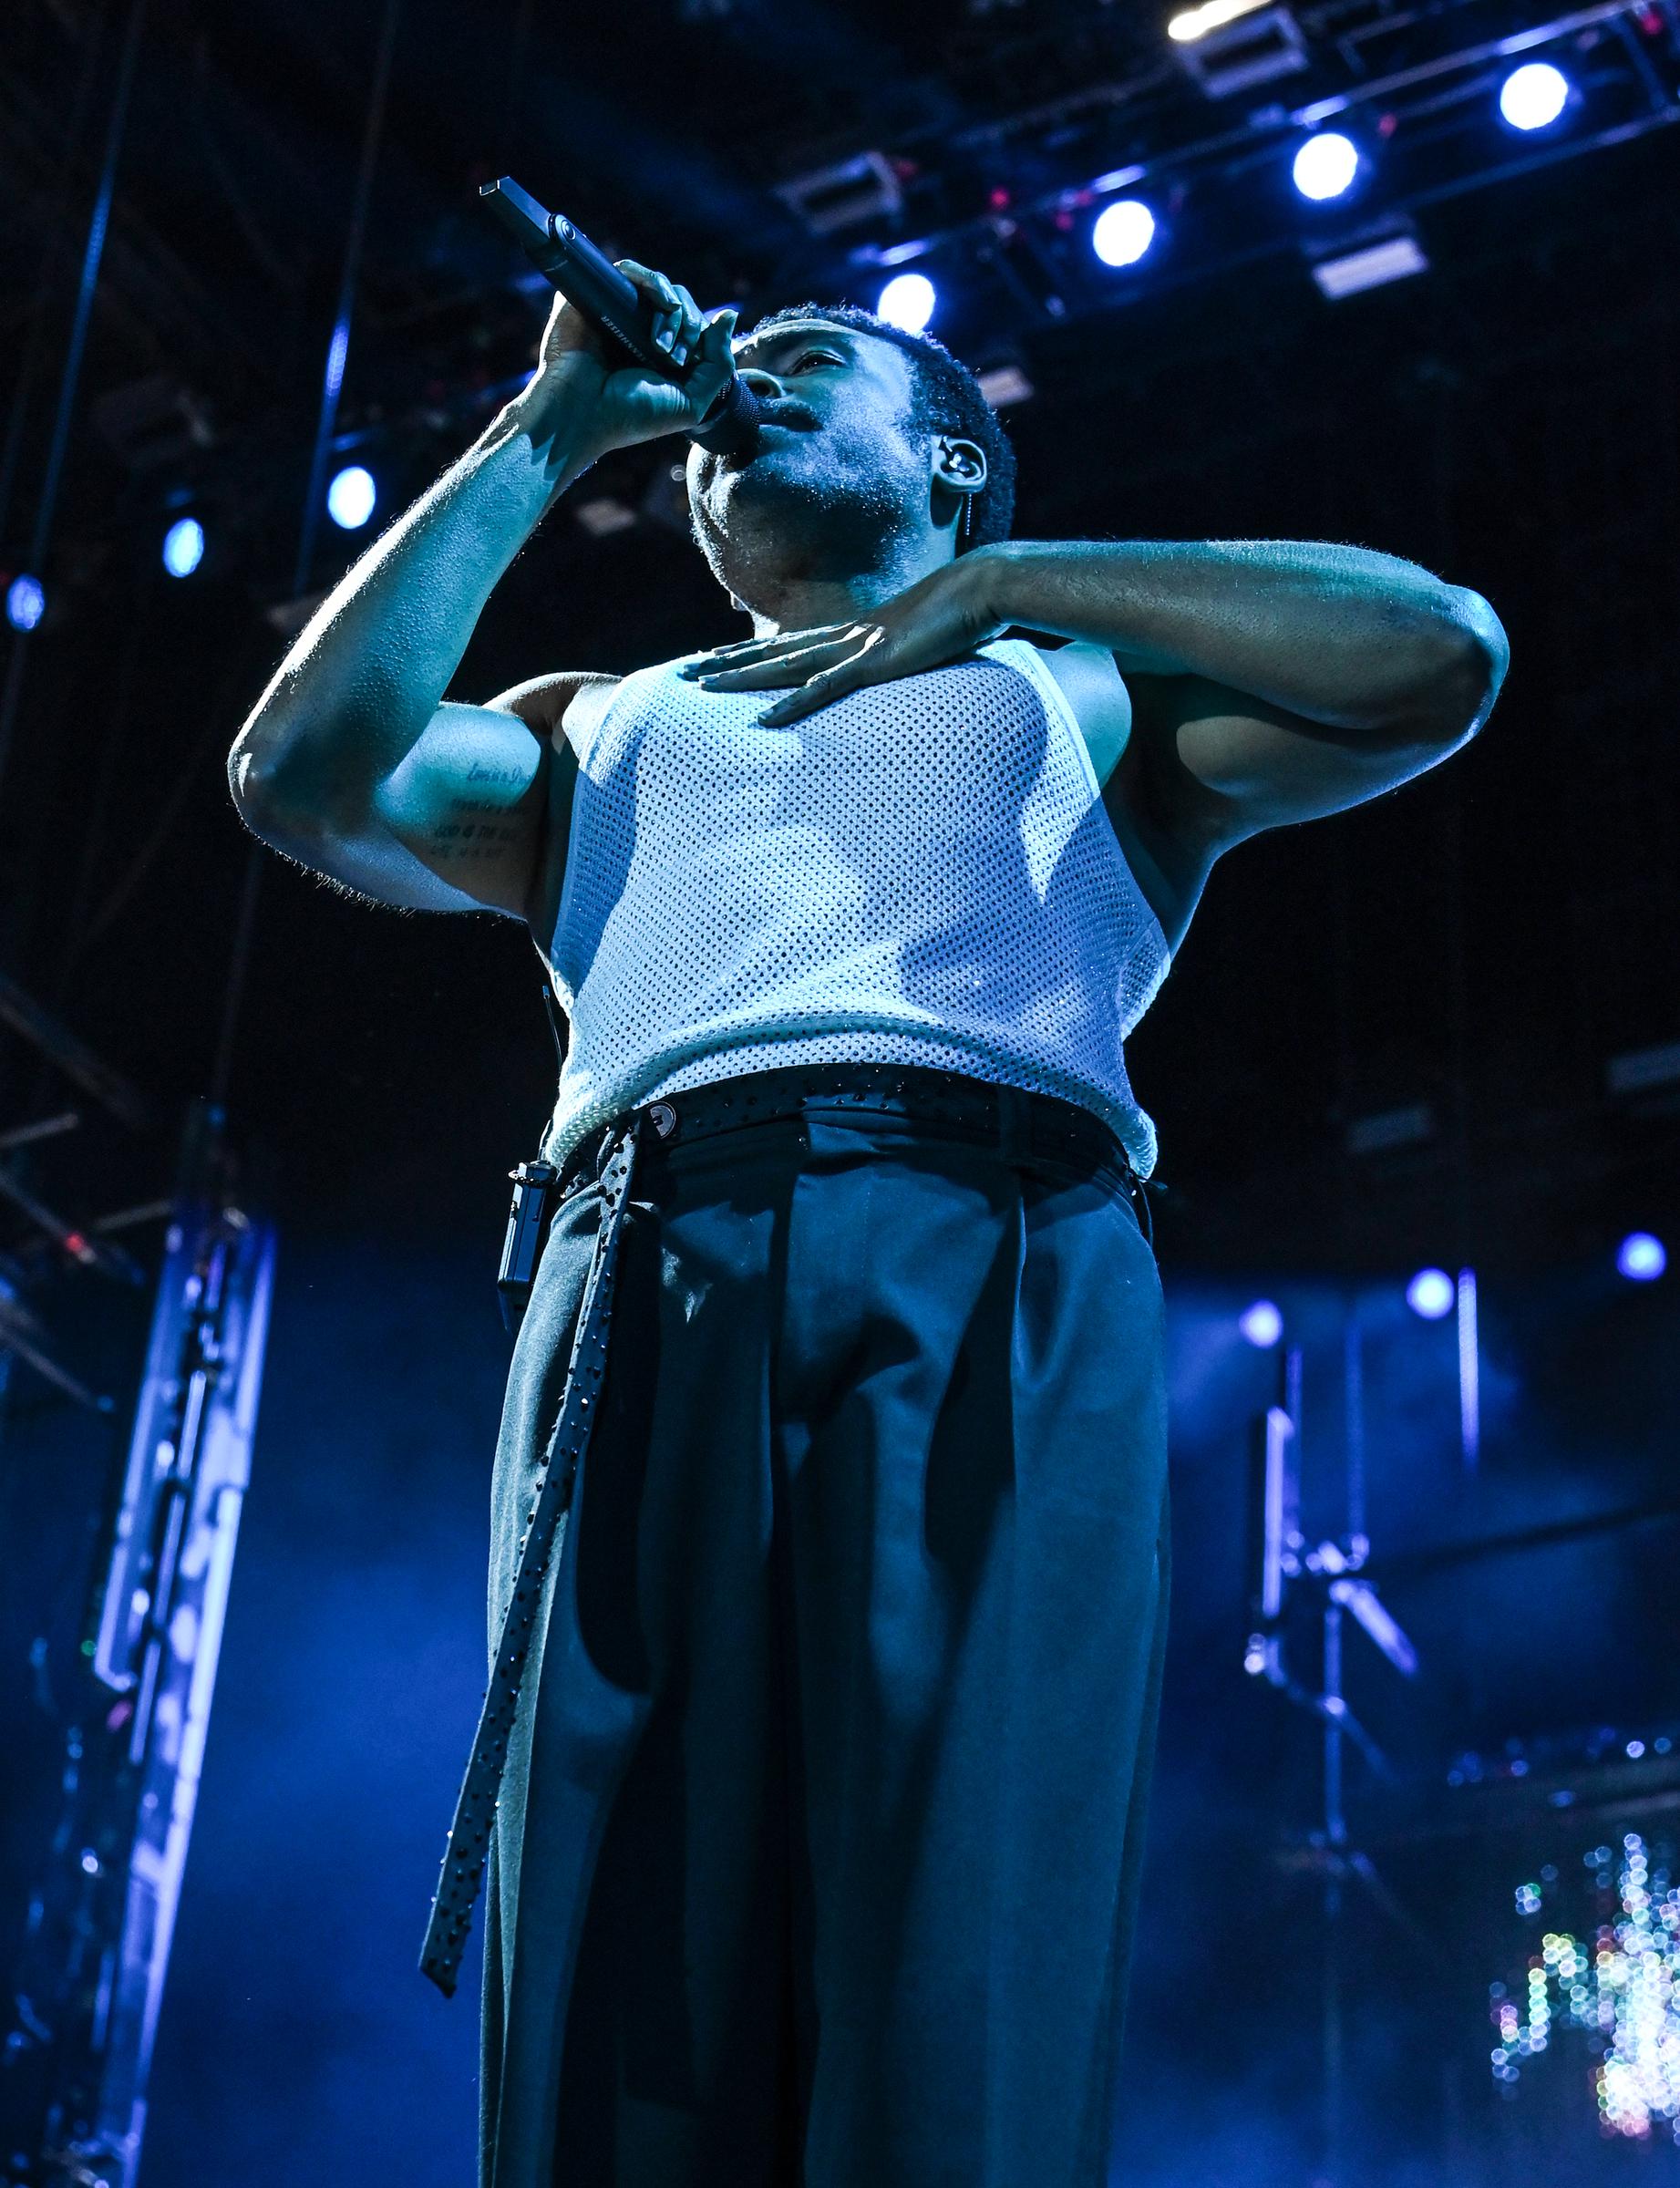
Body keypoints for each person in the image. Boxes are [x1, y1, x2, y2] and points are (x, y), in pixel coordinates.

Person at [226, 261, 1508, 2188]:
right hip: (643, 1253)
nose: (746, 391)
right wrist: (553, 424)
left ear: (951, 460)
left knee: (959, 1905)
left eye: (811, 364)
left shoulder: (1081, 692)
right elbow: (300, 773)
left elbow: (1437, 651)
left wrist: (1008, 586)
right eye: (720, 394)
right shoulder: (598, 722)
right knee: (616, 1922)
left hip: (991, 1233)